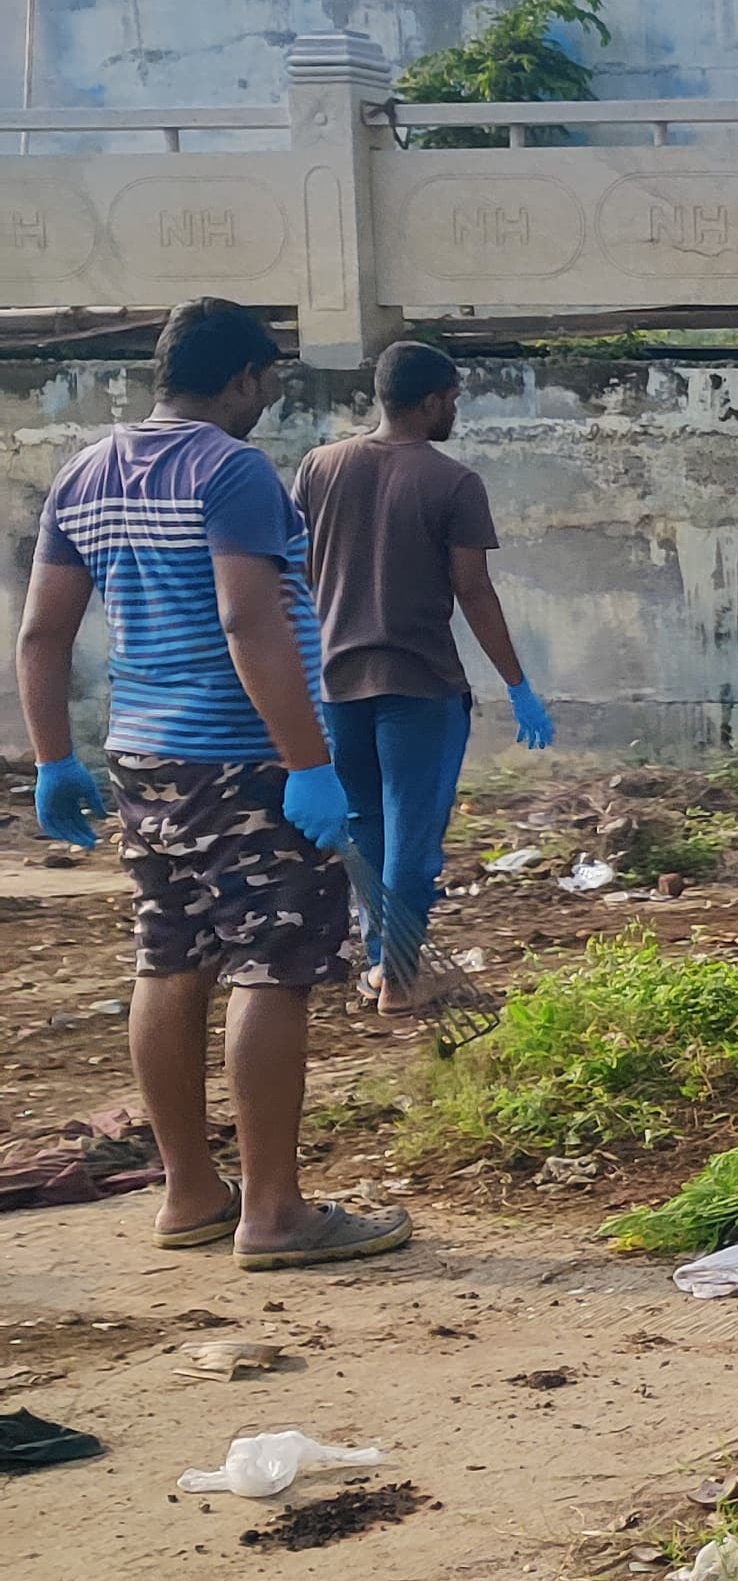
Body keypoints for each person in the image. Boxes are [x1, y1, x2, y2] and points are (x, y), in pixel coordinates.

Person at [16, 298, 408, 1269]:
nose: (269, 399)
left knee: (170, 956)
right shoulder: (230, 472)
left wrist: (54, 757)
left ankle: (190, 1195)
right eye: (268, 382)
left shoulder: (86, 470)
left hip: (143, 760)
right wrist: (309, 764)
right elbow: (247, 621)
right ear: (242, 378)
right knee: (271, 966)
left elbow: (42, 631)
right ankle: (274, 1213)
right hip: (243, 759)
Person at [291, 341, 554, 1012]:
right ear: (432, 399)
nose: (455, 410)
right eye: (454, 399)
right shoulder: (454, 482)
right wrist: (518, 683)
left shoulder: (319, 467)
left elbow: (299, 573)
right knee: (412, 839)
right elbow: (474, 590)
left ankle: (384, 966)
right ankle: (400, 980)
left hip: (335, 684)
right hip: (420, 688)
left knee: (369, 832)